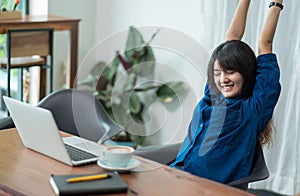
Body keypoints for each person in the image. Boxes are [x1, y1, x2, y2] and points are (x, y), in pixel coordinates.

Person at [169, 0, 283, 184]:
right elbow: (232, 38)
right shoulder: (213, 95)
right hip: (176, 175)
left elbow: (265, 43)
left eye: (230, 72)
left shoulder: (253, 110)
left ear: (245, 72)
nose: (223, 79)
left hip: (203, 188)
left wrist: (276, 4)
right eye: (217, 73)